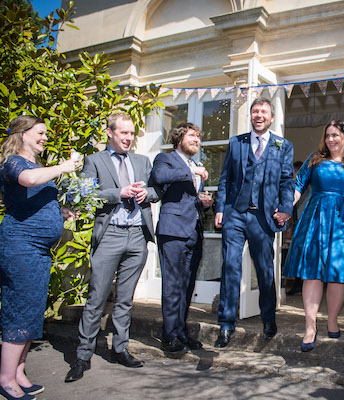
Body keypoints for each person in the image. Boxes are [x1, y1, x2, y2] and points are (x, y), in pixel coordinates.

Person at [65, 113, 160, 383]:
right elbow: (86, 194)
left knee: (125, 299)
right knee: (97, 298)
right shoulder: (95, 160)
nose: (129, 138)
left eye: (131, 134)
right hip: (109, 235)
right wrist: (118, 193)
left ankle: (120, 349)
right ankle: (83, 356)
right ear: (109, 132)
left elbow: (156, 191)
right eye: (123, 133)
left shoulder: (142, 161)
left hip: (137, 236)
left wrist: (146, 194)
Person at [283, 120, 344, 352]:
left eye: (335, 135)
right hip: (316, 218)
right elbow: (298, 186)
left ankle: (332, 319)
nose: (331, 139)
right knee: (312, 272)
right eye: (328, 135)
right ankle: (310, 326)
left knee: (338, 273)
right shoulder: (314, 159)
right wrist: (287, 207)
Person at [0, 115, 80, 400]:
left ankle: (20, 372)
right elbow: (29, 180)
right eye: (41, 133)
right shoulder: (14, 163)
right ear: (23, 135)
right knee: (19, 309)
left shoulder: (36, 166)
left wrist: (61, 215)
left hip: (38, 250)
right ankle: (6, 378)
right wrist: (65, 166)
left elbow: (34, 201)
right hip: (20, 247)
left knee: (32, 311)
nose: (45, 137)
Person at [214, 97, 294, 348]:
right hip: (235, 215)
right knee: (230, 268)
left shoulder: (283, 145)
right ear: (251, 116)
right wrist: (220, 209)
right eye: (255, 111)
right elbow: (226, 178)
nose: (259, 115)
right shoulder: (236, 142)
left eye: (264, 112)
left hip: (263, 216)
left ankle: (269, 318)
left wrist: (285, 209)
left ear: (271, 118)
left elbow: (286, 182)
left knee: (265, 270)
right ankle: (226, 325)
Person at [149, 123, 213, 355]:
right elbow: (158, 177)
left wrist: (204, 204)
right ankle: (170, 335)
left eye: (199, 137)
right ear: (179, 138)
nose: (197, 140)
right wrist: (191, 171)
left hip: (193, 232)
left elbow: (190, 201)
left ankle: (181, 332)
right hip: (172, 230)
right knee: (173, 284)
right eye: (192, 136)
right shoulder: (165, 159)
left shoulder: (195, 166)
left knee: (187, 286)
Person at [284, 160, 306, 297]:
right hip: (298, 225)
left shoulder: (306, 186)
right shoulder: (295, 187)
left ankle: (302, 285)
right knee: (297, 255)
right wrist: (291, 226)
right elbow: (294, 210)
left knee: (303, 255)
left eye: (293, 172)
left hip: (306, 224)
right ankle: (298, 284)